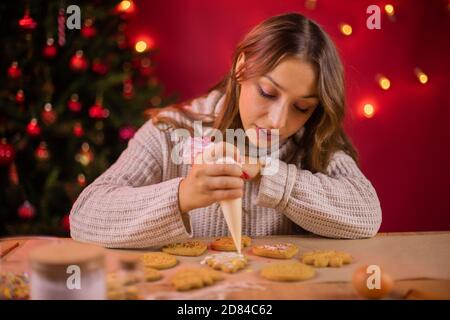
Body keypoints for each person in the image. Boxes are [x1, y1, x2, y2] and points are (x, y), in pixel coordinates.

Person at [70, 12, 382, 248]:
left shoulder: (314, 138)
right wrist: (181, 196)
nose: (277, 121)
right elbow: (85, 217)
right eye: (268, 93)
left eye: (301, 107)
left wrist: (270, 173)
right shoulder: (171, 130)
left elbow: (367, 216)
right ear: (241, 67)